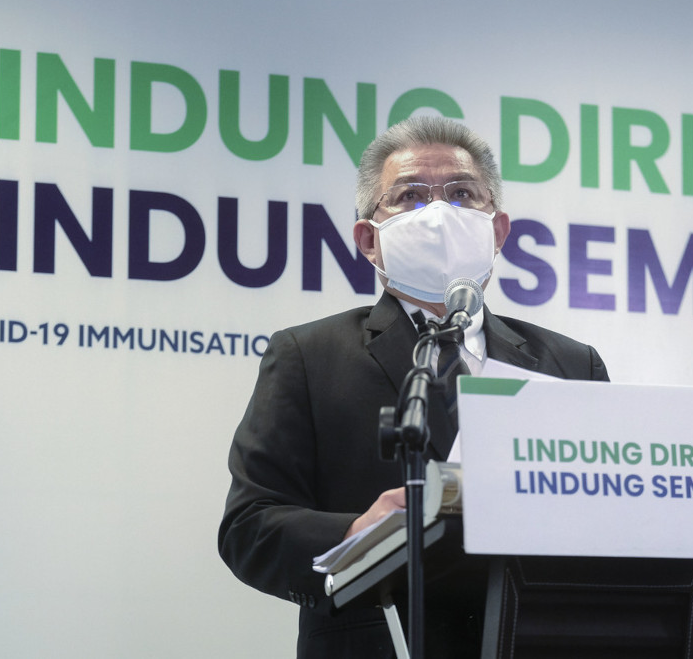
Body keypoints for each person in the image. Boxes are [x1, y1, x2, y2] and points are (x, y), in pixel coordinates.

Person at [218, 117, 609, 658]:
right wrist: (357, 531)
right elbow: (249, 526)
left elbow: (606, 515)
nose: (439, 212)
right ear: (368, 240)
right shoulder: (308, 357)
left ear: (497, 231)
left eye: (462, 193)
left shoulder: (571, 364)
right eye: (410, 196)